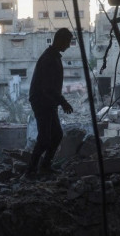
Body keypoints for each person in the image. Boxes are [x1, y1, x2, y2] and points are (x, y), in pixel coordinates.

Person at [25, 28, 74, 176]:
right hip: (42, 101)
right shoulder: (49, 59)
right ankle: (31, 170)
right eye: (67, 42)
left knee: (57, 135)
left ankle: (44, 166)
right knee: (45, 138)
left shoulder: (53, 57)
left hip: (48, 101)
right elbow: (48, 87)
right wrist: (63, 102)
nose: (68, 46)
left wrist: (59, 101)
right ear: (60, 41)